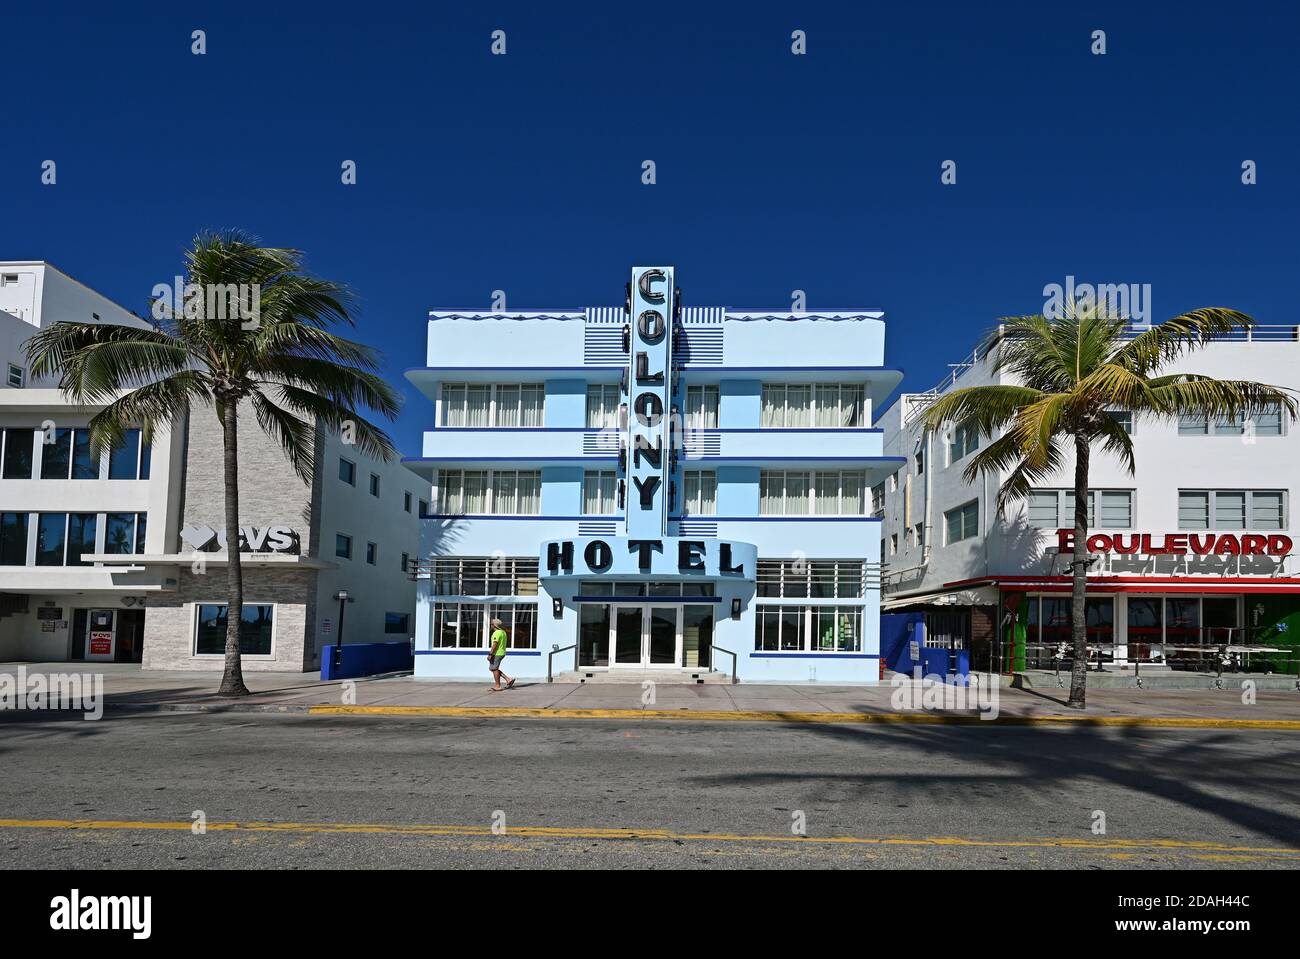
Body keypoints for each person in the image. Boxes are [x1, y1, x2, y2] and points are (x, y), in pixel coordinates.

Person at [487, 617, 515, 690]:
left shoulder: (496, 633)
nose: (490, 625)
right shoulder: (503, 632)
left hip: (497, 653)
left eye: (491, 624)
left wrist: (490, 654)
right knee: (493, 668)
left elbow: (495, 644)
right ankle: (508, 679)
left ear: (494, 625)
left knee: (494, 669)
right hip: (502, 652)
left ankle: (497, 686)